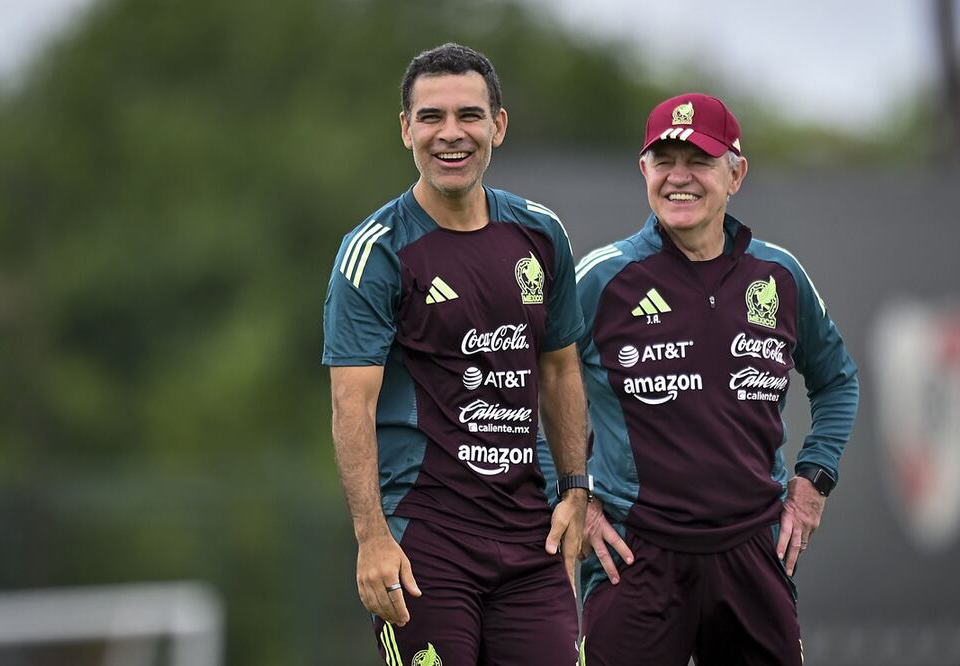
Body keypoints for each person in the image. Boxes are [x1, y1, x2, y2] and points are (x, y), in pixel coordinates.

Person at [322, 43, 590, 666]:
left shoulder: (540, 233)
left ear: (497, 124)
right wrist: (371, 538)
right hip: (425, 545)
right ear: (406, 130)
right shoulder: (377, 251)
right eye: (431, 117)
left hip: (530, 539)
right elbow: (350, 405)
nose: (451, 134)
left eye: (469, 115)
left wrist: (577, 489)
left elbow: (559, 369)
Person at [573, 93, 859, 665]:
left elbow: (837, 381)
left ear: (735, 173)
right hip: (635, 557)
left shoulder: (778, 275)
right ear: (644, 170)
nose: (680, 178)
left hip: (754, 553)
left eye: (699, 160)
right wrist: (573, 497)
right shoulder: (602, 278)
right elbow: (527, 387)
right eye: (664, 161)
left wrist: (812, 484)